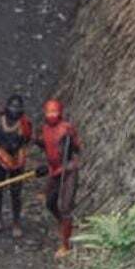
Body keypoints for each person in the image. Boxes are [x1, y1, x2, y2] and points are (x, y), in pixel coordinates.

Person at [35, 98, 82, 259]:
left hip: (68, 170)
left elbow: (78, 147)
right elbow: (46, 146)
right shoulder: (44, 129)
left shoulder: (66, 128)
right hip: (54, 170)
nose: (52, 115)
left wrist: (69, 140)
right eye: (49, 112)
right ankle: (64, 225)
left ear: (60, 112)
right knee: (50, 203)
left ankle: (66, 245)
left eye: (54, 112)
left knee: (65, 207)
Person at [0, 94, 33, 238]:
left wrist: (19, 152)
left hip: (17, 159)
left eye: (17, 107)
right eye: (12, 106)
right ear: (6, 107)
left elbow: (27, 139)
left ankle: (16, 222)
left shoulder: (25, 123)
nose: (14, 110)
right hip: (0, 157)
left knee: (16, 192)